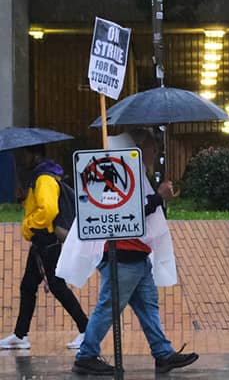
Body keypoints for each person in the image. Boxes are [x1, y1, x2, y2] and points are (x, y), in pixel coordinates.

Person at [58, 130, 198, 376]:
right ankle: (86, 355)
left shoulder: (133, 173)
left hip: (135, 255)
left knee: (147, 306)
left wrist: (158, 196)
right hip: (123, 254)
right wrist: (159, 197)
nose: (156, 153)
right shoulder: (125, 173)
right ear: (139, 149)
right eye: (153, 148)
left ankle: (163, 353)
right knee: (108, 307)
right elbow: (131, 213)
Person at [0, 144, 88, 351]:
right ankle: (20, 335)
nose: (22, 158)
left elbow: (48, 209)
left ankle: (86, 329)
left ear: (36, 155)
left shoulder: (44, 179)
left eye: (25, 154)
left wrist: (29, 225)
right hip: (42, 242)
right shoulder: (39, 178)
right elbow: (39, 205)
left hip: (47, 241)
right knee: (28, 286)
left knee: (56, 285)